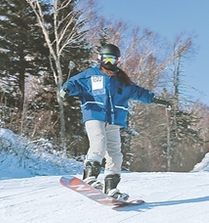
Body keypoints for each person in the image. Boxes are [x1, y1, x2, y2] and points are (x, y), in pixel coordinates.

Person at [59, 43, 171, 200]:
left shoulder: (122, 81)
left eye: (113, 59)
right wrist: (66, 89)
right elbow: (73, 83)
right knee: (99, 142)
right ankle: (90, 177)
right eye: (107, 59)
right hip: (94, 114)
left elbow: (139, 92)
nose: (110, 63)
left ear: (118, 60)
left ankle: (111, 187)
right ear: (100, 58)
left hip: (114, 120)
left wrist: (156, 99)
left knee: (115, 153)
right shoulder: (90, 75)